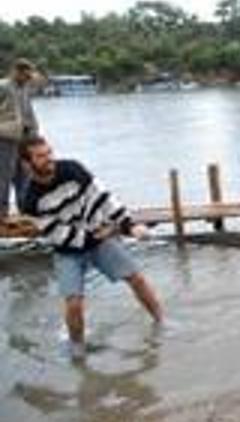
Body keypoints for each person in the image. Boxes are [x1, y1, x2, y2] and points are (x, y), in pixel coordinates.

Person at [18, 137, 162, 359]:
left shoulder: (73, 170)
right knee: (74, 303)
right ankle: (77, 348)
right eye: (41, 156)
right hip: (68, 251)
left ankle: (161, 322)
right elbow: (59, 235)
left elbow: (103, 198)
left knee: (136, 278)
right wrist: (104, 233)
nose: (49, 160)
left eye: (49, 153)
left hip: (98, 238)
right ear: (27, 164)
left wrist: (128, 225)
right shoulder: (30, 201)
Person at [0, 58, 41, 219]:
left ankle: (25, 213)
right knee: (3, 177)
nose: (28, 79)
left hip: (23, 140)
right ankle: (1, 215)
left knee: (24, 178)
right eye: (26, 75)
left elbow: (28, 114)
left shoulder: (24, 89)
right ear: (17, 72)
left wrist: (35, 136)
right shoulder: (3, 87)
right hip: (4, 139)